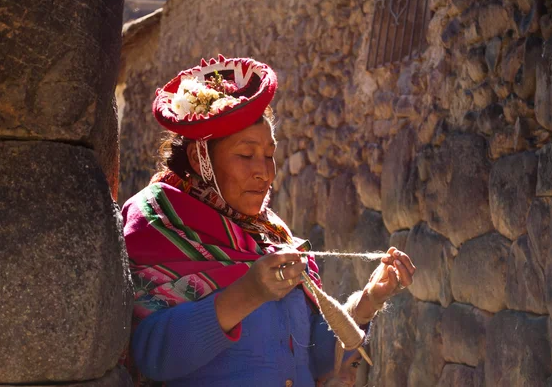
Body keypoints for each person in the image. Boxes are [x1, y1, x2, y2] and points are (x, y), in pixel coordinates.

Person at [122, 55, 416, 387]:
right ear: (199, 159)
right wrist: (248, 292)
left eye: (269, 154)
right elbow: (152, 356)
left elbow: (312, 359)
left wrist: (369, 300)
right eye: (246, 155)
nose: (265, 172)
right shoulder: (158, 225)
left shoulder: (271, 236)